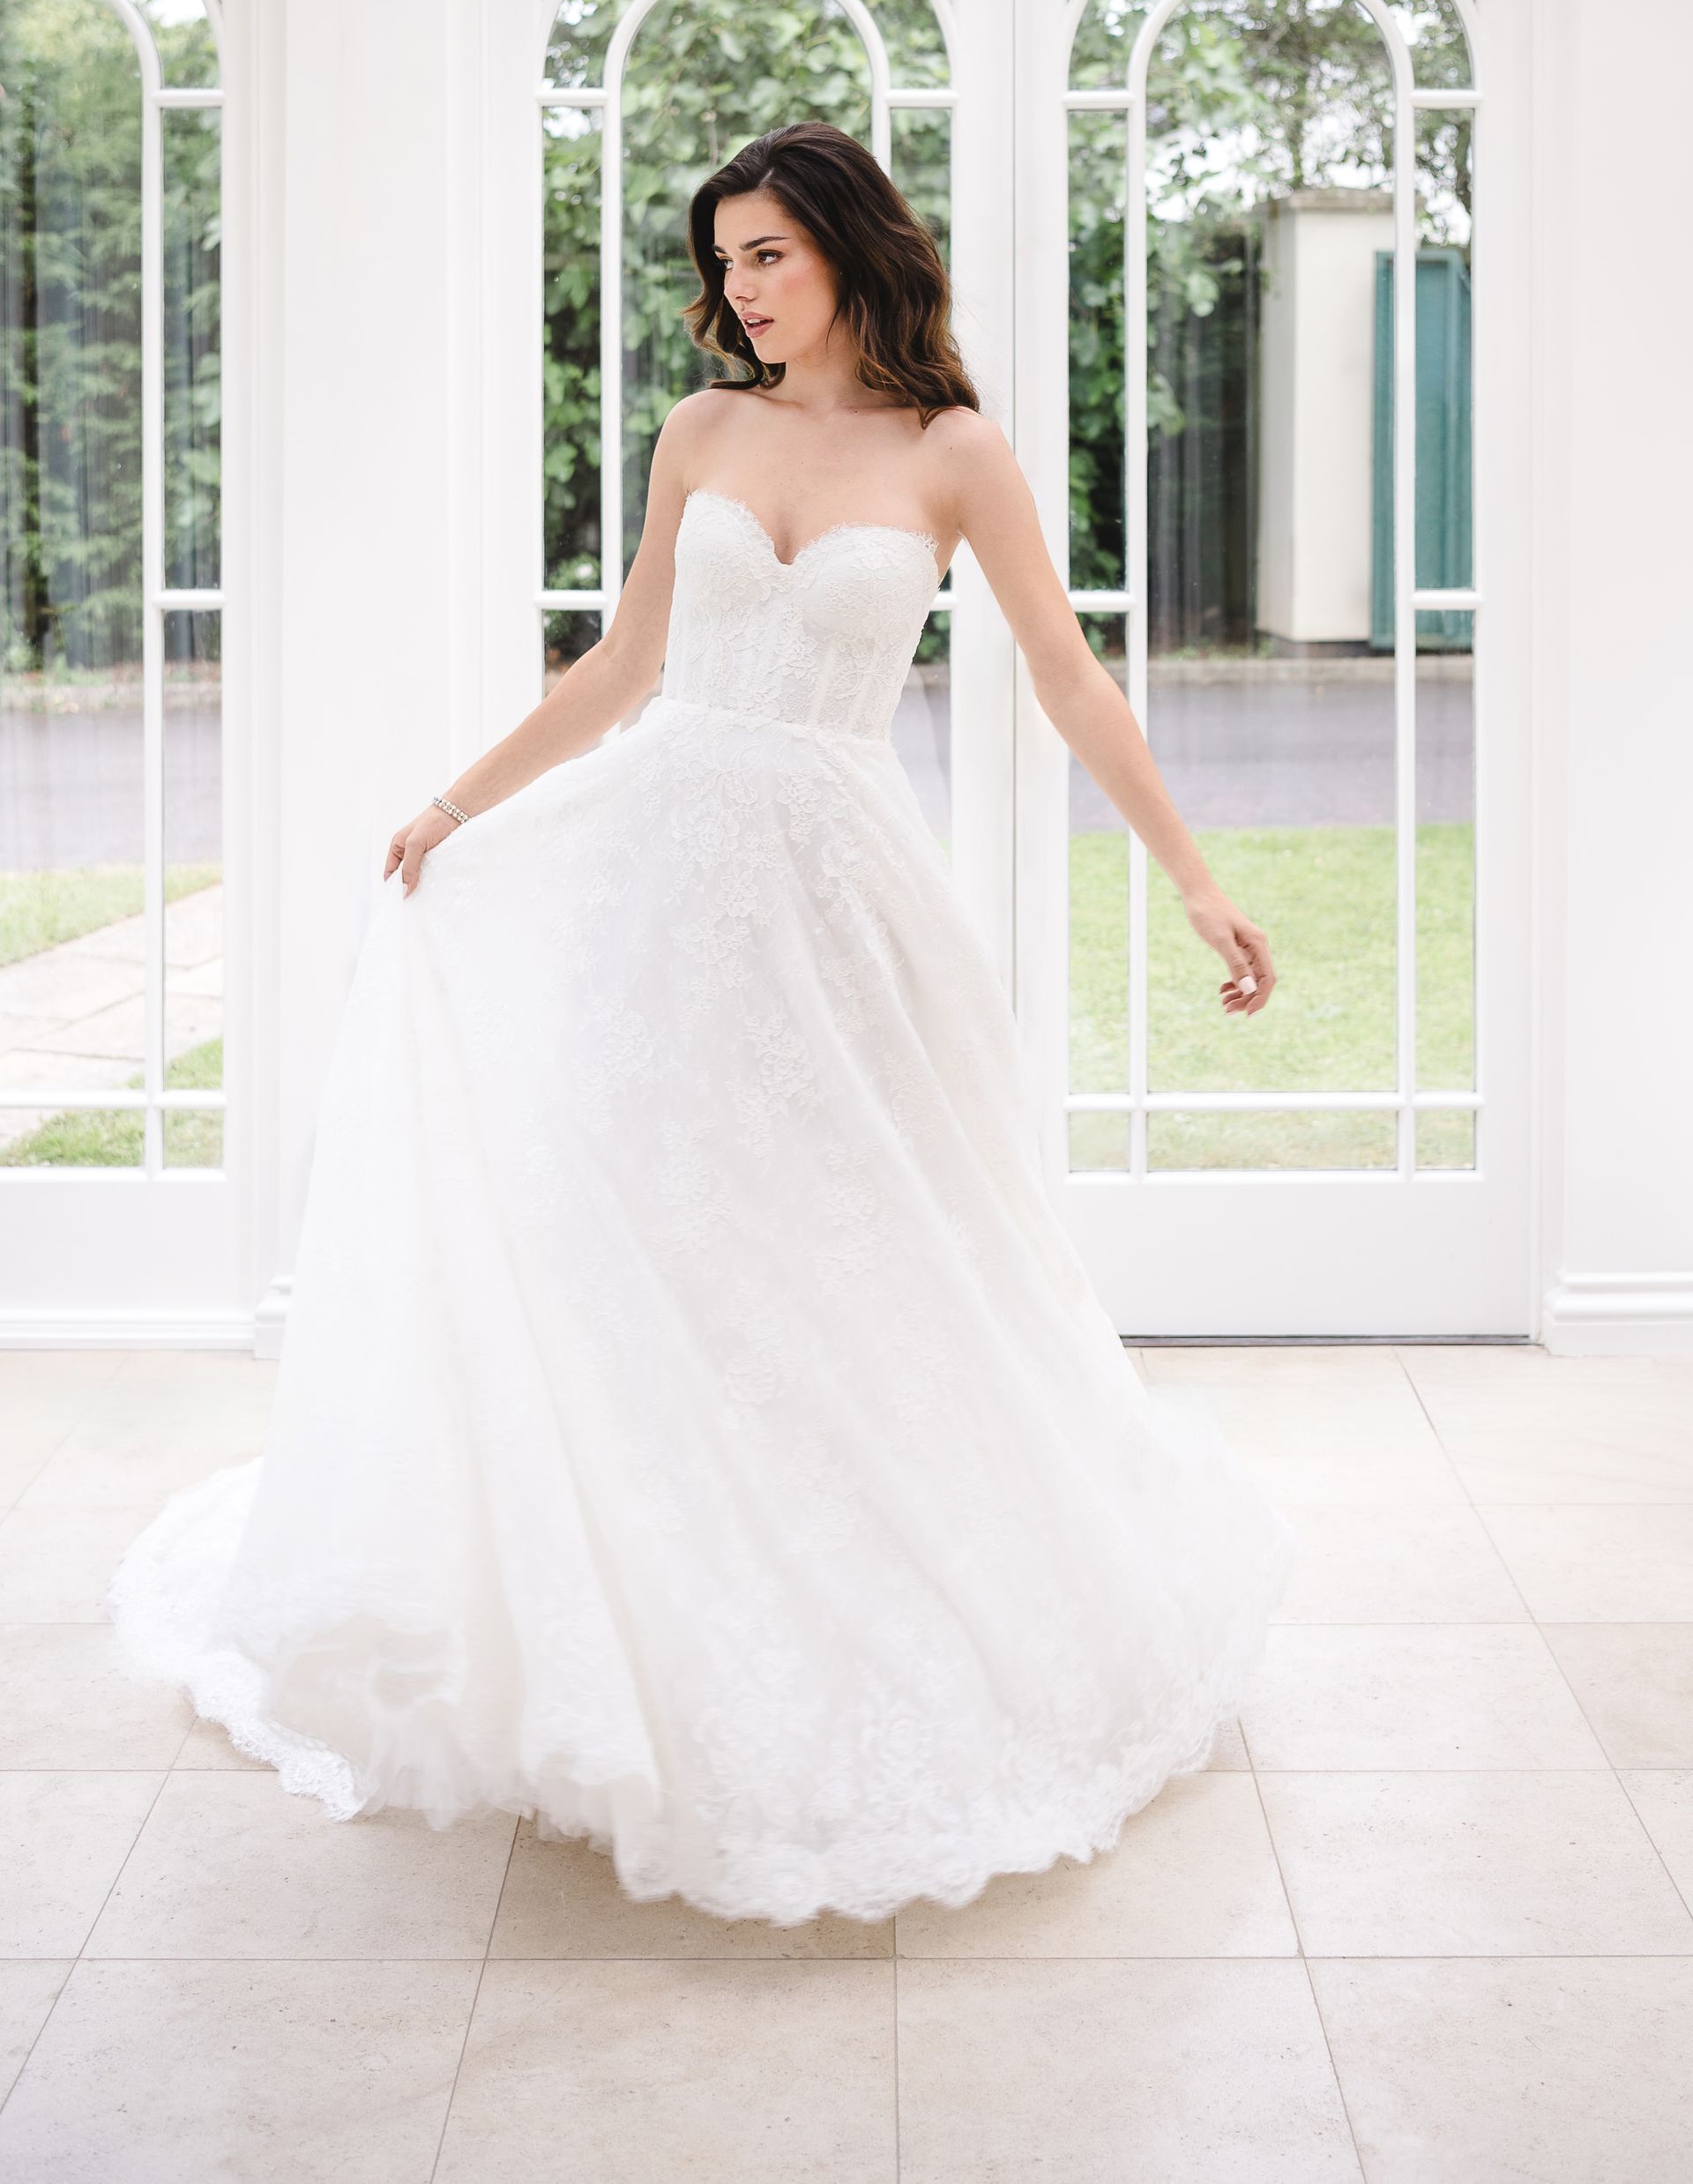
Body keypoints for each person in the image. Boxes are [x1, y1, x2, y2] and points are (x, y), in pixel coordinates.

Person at [107, 119, 1297, 1929]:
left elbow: (1067, 676)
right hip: (655, 877)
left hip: (838, 896)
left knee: (856, 1243)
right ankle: (636, 1608)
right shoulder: (701, 432)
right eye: (724, 262)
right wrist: (456, 805)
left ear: (849, 251)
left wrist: (1195, 877)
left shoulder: (955, 451)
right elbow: (622, 665)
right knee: (640, 1232)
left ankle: (859, 1580)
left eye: (768, 256)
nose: (740, 290)